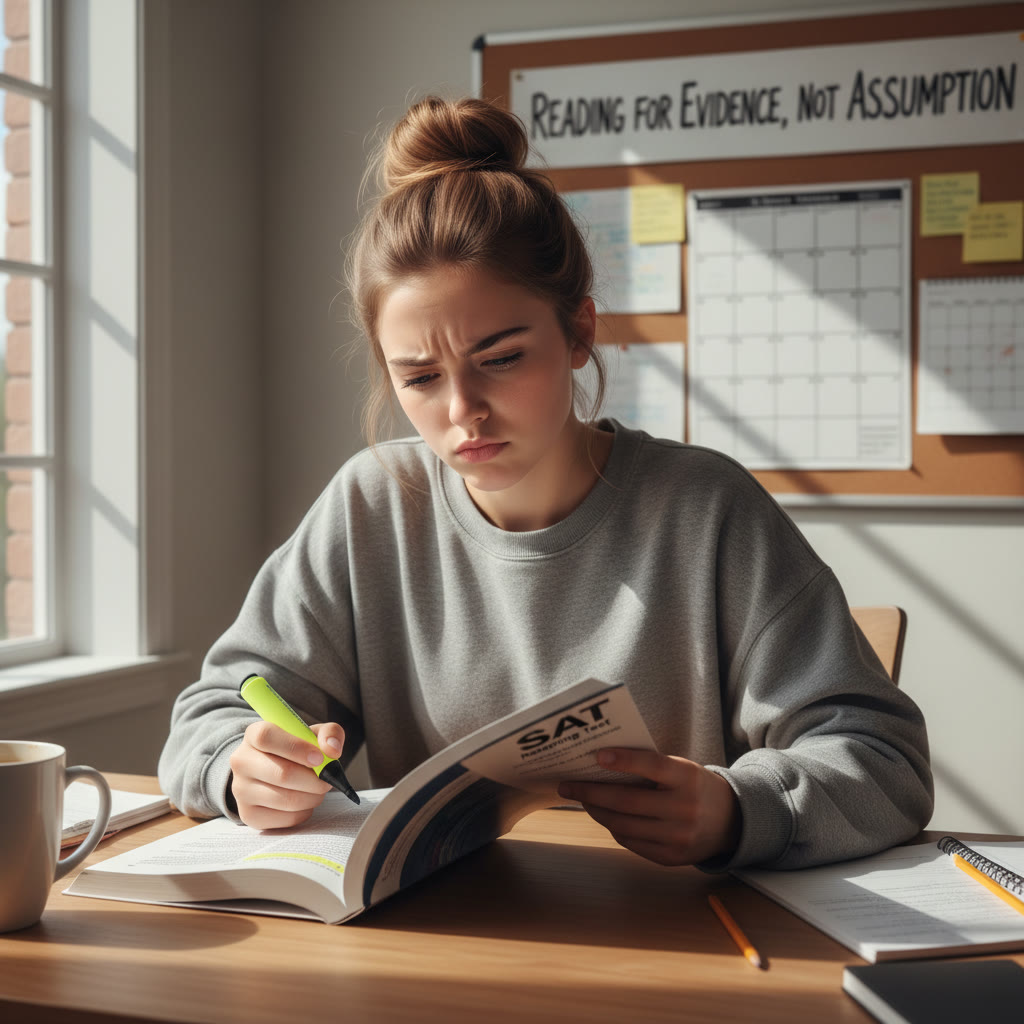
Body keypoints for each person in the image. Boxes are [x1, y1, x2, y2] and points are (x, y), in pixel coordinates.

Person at [158, 95, 933, 871]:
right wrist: (239, 765)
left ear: (579, 332)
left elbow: (883, 763)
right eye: (420, 376)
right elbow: (212, 713)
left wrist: (736, 810)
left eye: (500, 358)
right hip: (445, 943)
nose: (463, 411)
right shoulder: (372, 506)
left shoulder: (706, 511)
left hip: (679, 947)